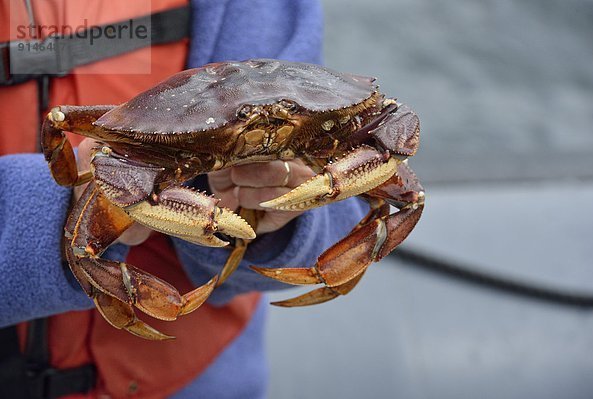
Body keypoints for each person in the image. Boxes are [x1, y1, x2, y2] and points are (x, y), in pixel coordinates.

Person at [0, 0, 366, 398]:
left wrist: (282, 218)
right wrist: (53, 199)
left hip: (201, 380)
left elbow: (354, 207)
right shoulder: (126, 139)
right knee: (84, 244)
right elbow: (81, 208)